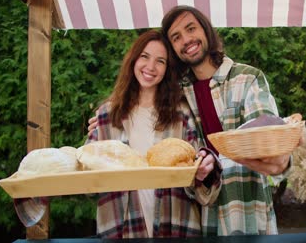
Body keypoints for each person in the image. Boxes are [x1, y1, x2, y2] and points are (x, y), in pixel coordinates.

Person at [88, 6, 292, 236]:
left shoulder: (247, 79)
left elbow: (269, 140)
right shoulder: (179, 94)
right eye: (176, 37)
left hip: (245, 208)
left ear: (205, 30)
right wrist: (102, 124)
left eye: (191, 28)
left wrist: (280, 158)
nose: (186, 39)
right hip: (202, 218)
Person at [83, 29, 220, 238]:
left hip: (175, 224)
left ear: (167, 69)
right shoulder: (106, 115)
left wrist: (202, 170)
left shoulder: (180, 114)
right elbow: (87, 179)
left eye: (160, 61)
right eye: (144, 57)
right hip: (121, 227)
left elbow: (197, 175)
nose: (150, 67)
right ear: (133, 60)